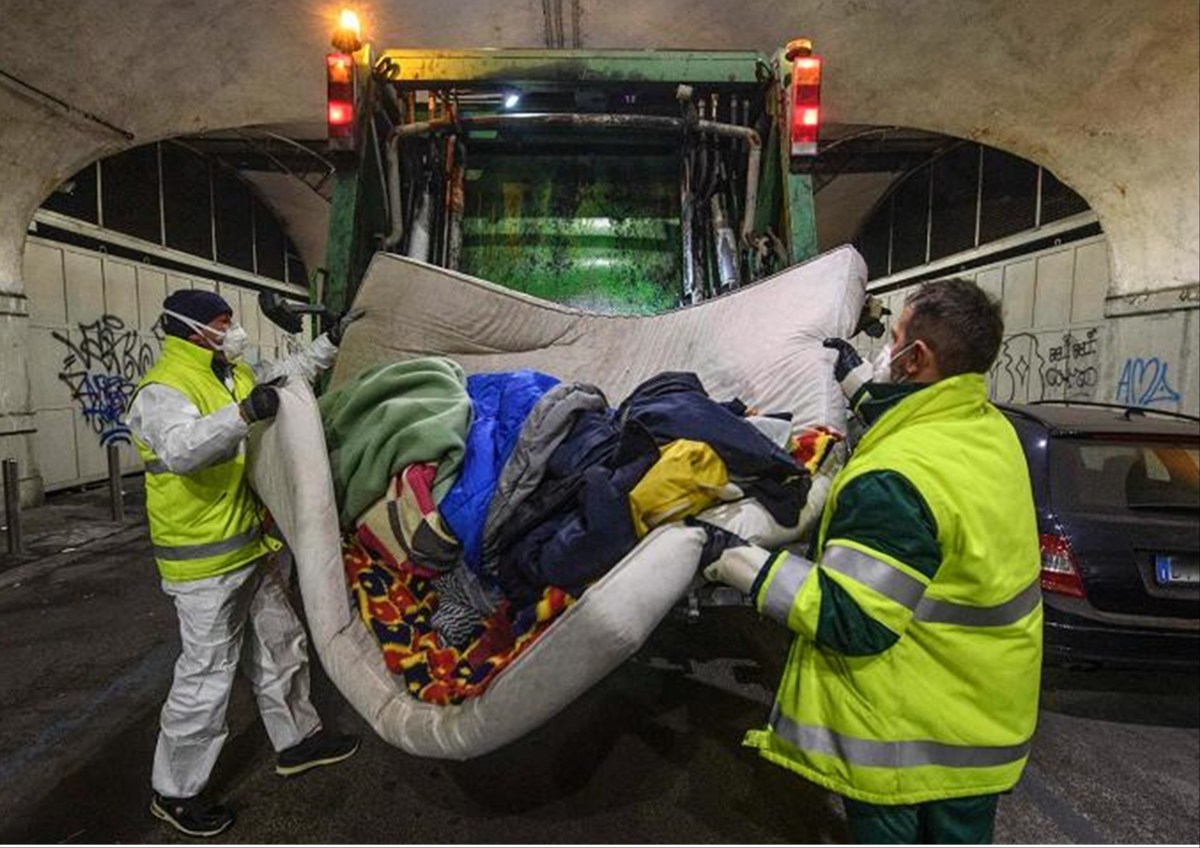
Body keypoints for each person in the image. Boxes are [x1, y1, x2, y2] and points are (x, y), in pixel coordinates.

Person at [693, 278, 1042, 844]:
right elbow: (917, 419)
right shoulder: (989, 431)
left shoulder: (894, 480)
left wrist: (732, 559)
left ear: (916, 358)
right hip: (983, 717)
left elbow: (851, 618)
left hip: (903, 731)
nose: (887, 347)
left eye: (895, 338)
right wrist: (856, 380)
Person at [126, 289, 365, 838]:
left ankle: (297, 741)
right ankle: (175, 792)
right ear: (191, 328)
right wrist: (242, 415)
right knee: (206, 677)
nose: (232, 330)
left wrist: (330, 341)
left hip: (249, 544)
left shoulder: (229, 371)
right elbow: (182, 449)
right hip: (203, 562)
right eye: (222, 322)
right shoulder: (163, 389)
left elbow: (286, 374)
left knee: (281, 645)